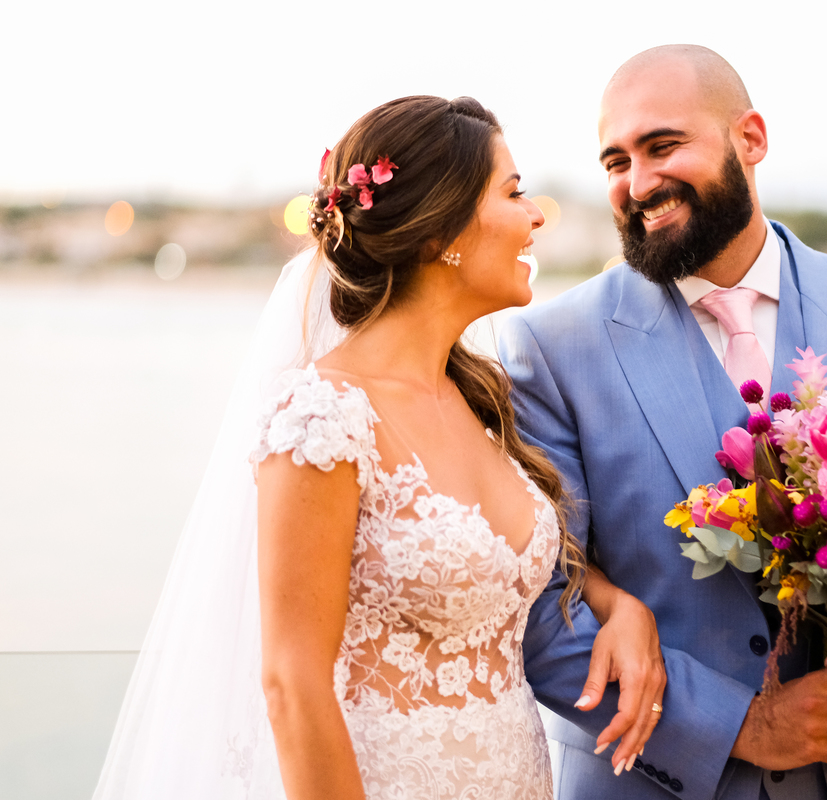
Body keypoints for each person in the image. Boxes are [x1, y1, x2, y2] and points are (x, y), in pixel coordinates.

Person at [93, 96, 665, 800]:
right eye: (513, 193)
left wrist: (617, 605)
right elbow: (292, 685)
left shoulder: (481, 402)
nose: (537, 215)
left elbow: (507, 569)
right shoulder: (323, 416)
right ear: (439, 232)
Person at [499, 46, 827, 800]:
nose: (639, 184)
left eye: (664, 145)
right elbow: (541, 605)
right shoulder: (553, 349)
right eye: (616, 160)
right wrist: (735, 724)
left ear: (751, 139)